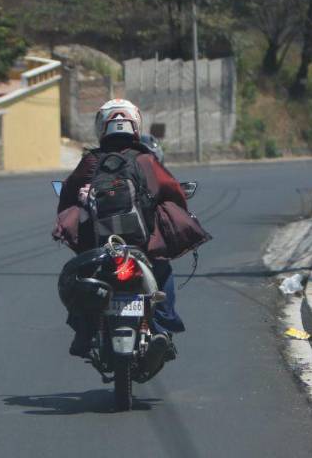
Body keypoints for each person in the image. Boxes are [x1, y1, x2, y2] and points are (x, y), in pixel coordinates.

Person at [53, 98, 211, 360]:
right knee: (163, 272)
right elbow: (173, 193)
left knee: (81, 279)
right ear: (135, 126)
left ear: (101, 127)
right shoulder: (146, 161)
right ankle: (160, 329)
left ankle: (83, 333)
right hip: (143, 249)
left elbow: (67, 198)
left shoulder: (90, 161)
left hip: (100, 251)